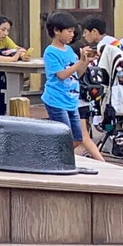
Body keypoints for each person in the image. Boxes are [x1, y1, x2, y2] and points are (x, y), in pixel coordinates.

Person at [40, 12, 103, 161]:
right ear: (56, 30)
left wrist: (86, 61)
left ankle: (54, 157)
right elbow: (61, 75)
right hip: (56, 100)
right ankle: (54, 158)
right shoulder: (50, 52)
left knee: (77, 137)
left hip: (71, 101)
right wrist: (80, 62)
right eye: (69, 31)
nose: (72, 34)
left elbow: (78, 74)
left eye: (73, 31)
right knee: (64, 136)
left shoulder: (68, 50)